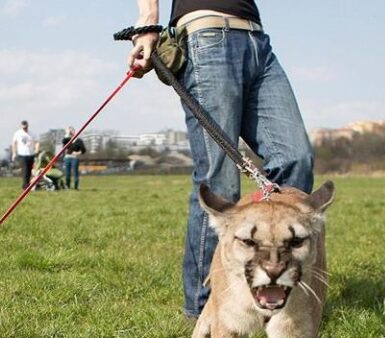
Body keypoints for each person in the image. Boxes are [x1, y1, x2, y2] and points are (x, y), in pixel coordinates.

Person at [127, 0, 314, 319]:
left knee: (296, 159)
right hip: (208, 36)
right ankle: (206, 312)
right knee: (219, 184)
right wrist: (148, 23)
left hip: (258, 42)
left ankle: (276, 287)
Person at [11, 120, 39, 190]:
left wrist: (36, 149)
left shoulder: (32, 134)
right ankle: (25, 187)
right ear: (21, 127)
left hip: (31, 154)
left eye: (26, 127)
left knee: (29, 171)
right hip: (22, 154)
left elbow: (37, 142)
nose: (25, 129)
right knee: (25, 170)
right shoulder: (17, 133)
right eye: (23, 128)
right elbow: (14, 143)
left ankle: (27, 185)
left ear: (28, 126)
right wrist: (14, 153)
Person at [61, 126, 87, 190]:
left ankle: (76, 187)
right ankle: (67, 187)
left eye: (71, 130)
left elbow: (83, 150)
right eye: (69, 130)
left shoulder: (79, 140)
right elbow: (63, 141)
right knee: (67, 173)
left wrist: (78, 153)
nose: (70, 131)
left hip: (74, 158)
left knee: (75, 172)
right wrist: (67, 133)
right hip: (67, 158)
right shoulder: (67, 139)